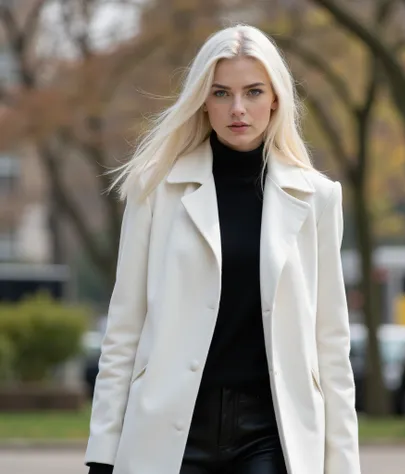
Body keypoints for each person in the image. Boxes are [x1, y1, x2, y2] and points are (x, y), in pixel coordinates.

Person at [84, 24, 360, 474]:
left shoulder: (317, 198)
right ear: (202, 101)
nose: (237, 109)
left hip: (271, 436)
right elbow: (125, 327)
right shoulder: (154, 189)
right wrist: (102, 452)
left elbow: (331, 342)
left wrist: (343, 464)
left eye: (253, 92)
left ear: (275, 98)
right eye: (220, 93)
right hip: (169, 431)